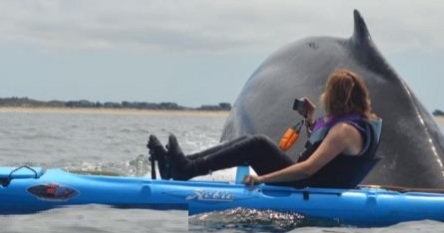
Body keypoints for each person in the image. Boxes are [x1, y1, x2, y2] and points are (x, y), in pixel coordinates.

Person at [147, 69, 382, 189]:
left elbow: (309, 169)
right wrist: (311, 121)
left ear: (335, 98)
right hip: (314, 183)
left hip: (306, 186)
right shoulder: (356, 125)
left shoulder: (344, 131)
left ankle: (186, 169)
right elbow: (328, 155)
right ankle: (182, 164)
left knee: (258, 144)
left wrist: (261, 179)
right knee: (251, 140)